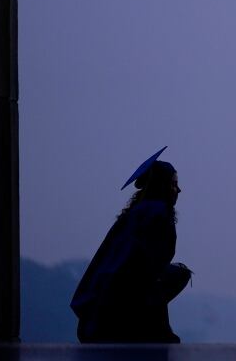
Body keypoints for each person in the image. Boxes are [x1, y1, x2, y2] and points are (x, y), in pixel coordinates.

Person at [71, 147, 191, 343]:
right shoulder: (158, 215)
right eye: (174, 184)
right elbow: (147, 267)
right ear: (162, 186)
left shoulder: (137, 213)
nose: (178, 190)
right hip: (127, 298)